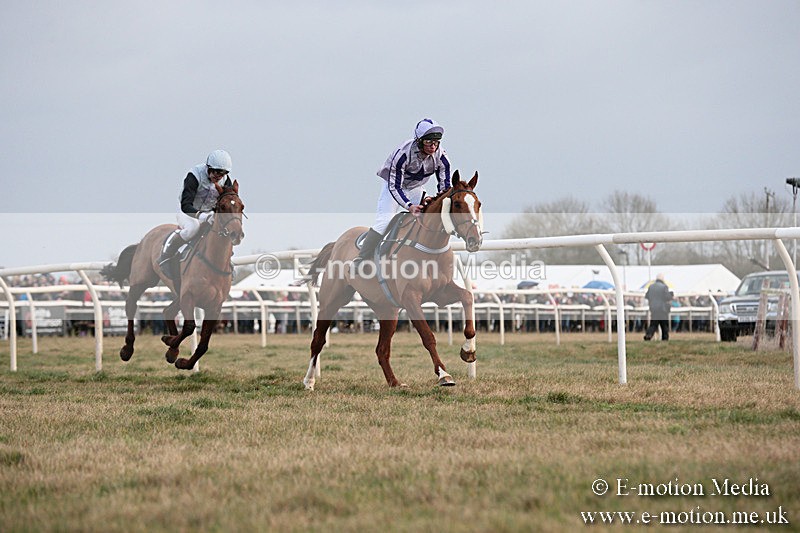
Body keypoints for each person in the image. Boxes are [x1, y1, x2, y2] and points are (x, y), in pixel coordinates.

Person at [354, 118, 453, 264]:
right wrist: (409, 206)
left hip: (415, 187)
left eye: (436, 142)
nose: (433, 146)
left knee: (428, 216)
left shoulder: (442, 157)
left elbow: (445, 188)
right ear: (419, 141)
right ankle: (361, 258)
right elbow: (395, 187)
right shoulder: (403, 154)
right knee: (384, 221)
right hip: (393, 187)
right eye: (428, 142)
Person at [158, 149, 234, 267]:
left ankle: (227, 261)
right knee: (193, 228)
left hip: (210, 214)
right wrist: (202, 216)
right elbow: (185, 205)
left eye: (223, 173)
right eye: (216, 172)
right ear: (208, 167)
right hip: (188, 213)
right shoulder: (194, 176)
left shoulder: (226, 181)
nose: (219, 177)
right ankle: (167, 253)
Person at [643, 273, 673, 341]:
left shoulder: (651, 286)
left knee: (653, 324)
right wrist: (671, 295)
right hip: (662, 309)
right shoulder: (664, 287)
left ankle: (648, 335)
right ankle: (665, 338)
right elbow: (667, 297)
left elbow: (647, 296)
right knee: (664, 325)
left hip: (653, 308)